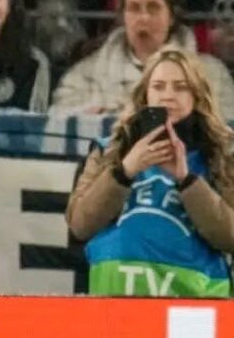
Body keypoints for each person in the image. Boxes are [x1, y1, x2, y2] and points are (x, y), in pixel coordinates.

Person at [66, 47, 234, 297]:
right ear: (145, 95)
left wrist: (186, 180)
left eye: (181, 87)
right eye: (158, 87)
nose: (168, 95)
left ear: (197, 97)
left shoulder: (223, 155)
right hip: (114, 302)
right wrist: (124, 172)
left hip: (193, 306)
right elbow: (80, 226)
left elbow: (230, 237)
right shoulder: (107, 151)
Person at [52, 0, 234, 119]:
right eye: (134, 8)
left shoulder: (212, 76)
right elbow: (58, 127)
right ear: (122, 16)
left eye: (153, 7)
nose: (144, 18)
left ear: (171, 16)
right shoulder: (84, 77)